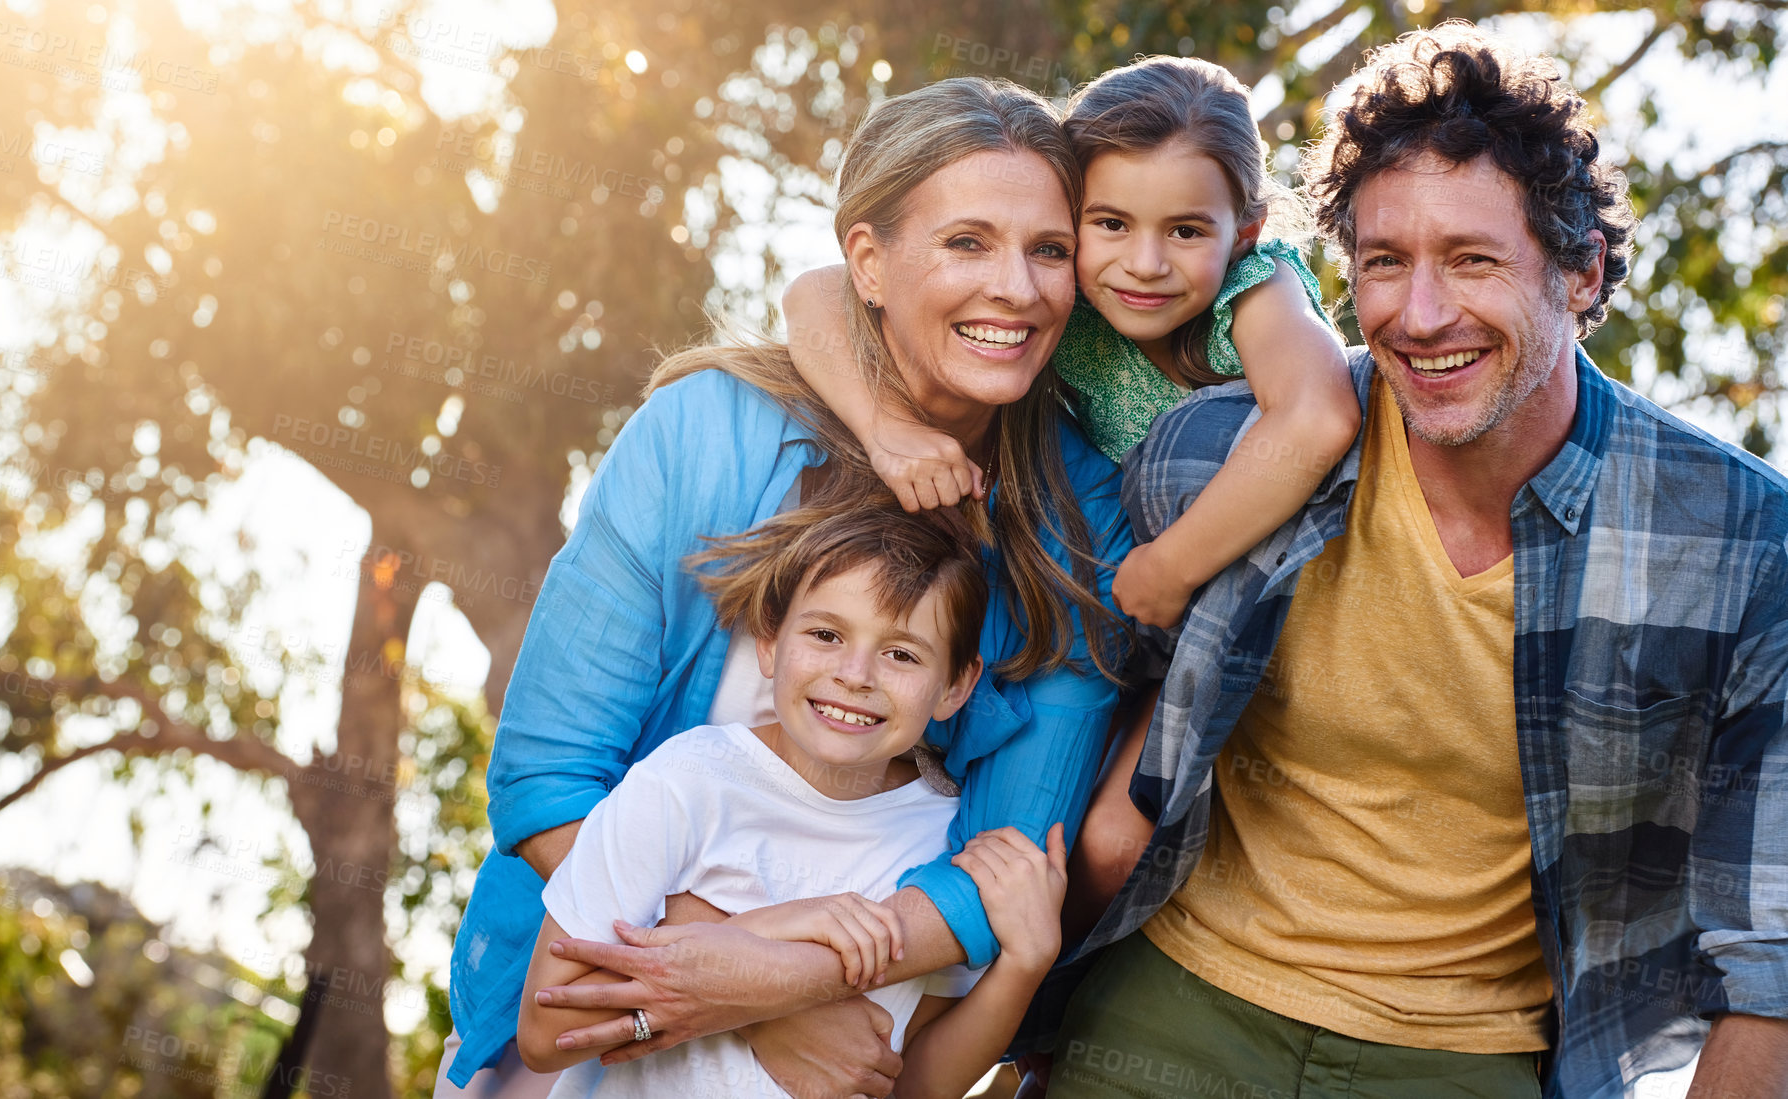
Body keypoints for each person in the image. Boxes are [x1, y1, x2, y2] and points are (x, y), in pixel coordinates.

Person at [1033, 23, 1788, 1099]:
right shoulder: (1207, 459)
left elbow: (1770, 963)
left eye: (1472, 260)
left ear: (1582, 272)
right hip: (1176, 998)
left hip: (1463, 1056)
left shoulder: (1739, 544)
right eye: (1385, 264)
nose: (1420, 316)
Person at [437, 76, 1133, 1099]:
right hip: (590, 1024)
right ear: (869, 262)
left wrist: (779, 991)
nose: (1019, 291)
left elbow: (1005, 866)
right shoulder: (702, 434)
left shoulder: (1080, 523)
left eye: (1049, 250)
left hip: (863, 1056)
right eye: (966, 243)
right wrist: (764, 993)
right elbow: (548, 783)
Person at [780, 56, 1359, 925]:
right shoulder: (1056, 280)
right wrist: (881, 426)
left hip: (1223, 605)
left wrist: (1171, 564)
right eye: (1110, 223)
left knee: (1110, 845)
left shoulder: (1256, 292)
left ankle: (1039, 1027)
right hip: (1110, 597)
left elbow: (1315, 420)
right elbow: (816, 290)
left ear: (1246, 229)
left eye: (1187, 231)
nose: (1145, 262)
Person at [515, 504, 1068, 1098]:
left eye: (902, 654)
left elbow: (904, 1085)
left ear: (956, 685)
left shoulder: (941, 840)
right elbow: (546, 1034)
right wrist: (766, 940)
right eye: (826, 635)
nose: (856, 675)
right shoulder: (686, 783)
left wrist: (1023, 965)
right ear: (770, 641)